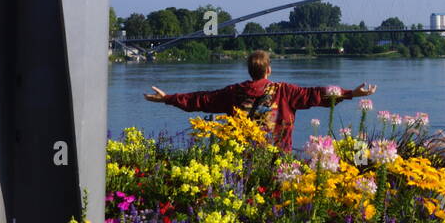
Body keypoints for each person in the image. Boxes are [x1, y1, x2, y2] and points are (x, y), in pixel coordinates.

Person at [144, 50, 376, 152]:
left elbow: (201, 100)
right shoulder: (284, 91)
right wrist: (349, 93)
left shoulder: (233, 92)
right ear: (268, 69)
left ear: (250, 70)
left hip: (242, 159)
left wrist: (168, 98)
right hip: (277, 157)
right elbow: (316, 93)